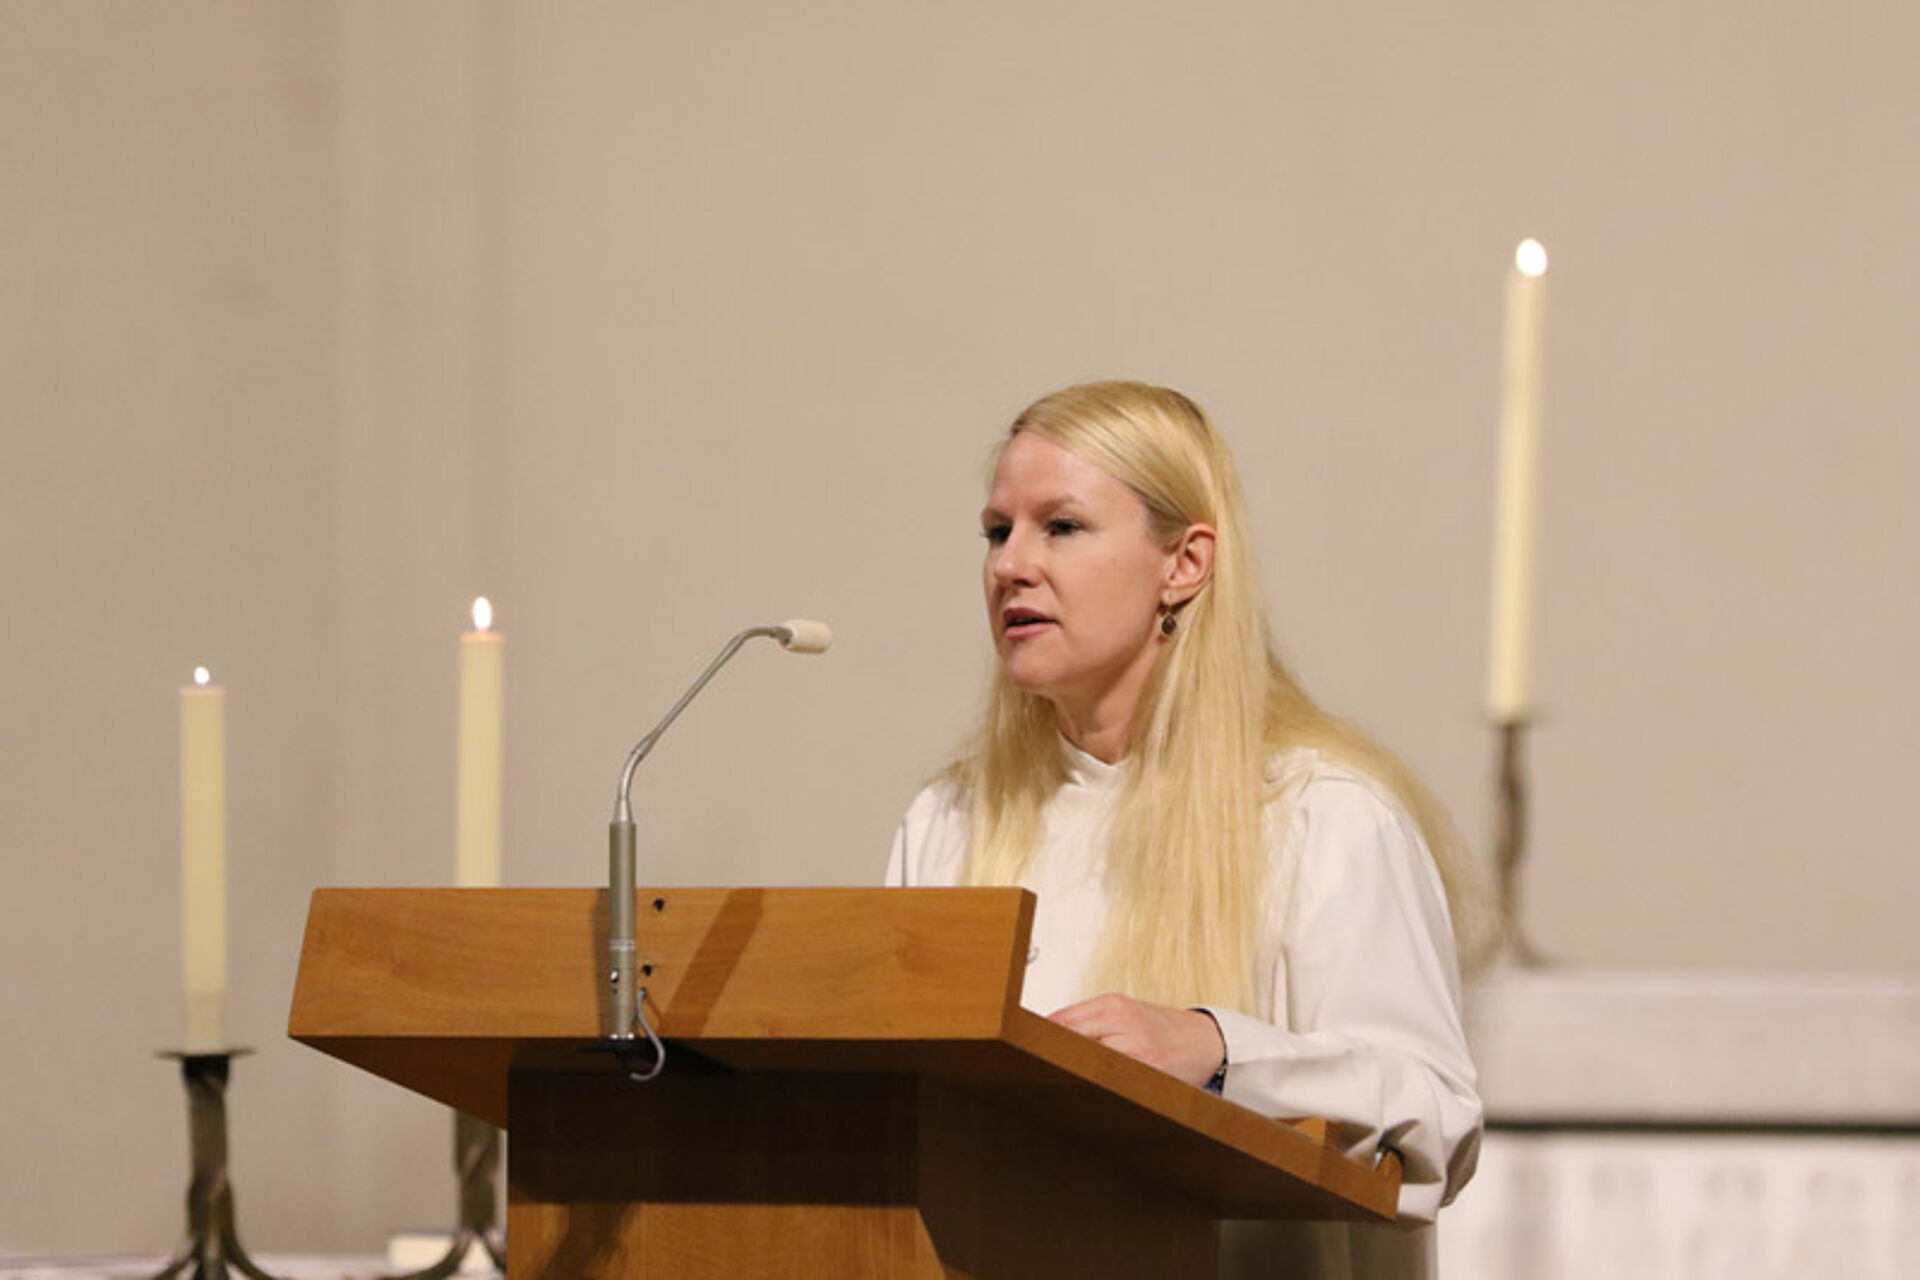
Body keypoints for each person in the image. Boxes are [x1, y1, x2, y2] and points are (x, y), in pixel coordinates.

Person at [885, 381, 1490, 1279]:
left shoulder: (1321, 814)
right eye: (996, 531)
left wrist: (1219, 1051)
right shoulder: (949, 822)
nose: (1011, 564)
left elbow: (1435, 1115)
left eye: (1061, 527)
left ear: (1185, 564)